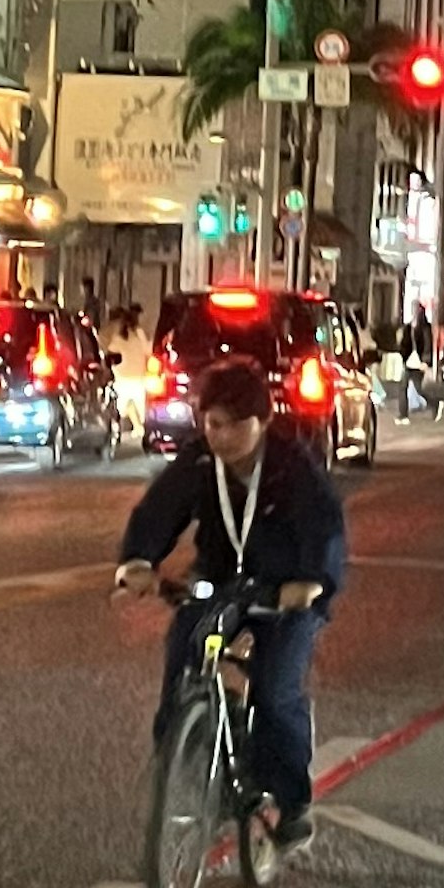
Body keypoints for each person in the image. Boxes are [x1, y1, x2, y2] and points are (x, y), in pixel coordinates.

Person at [112, 353, 349, 860]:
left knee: (276, 686)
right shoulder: (201, 462)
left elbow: (323, 526)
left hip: (285, 592)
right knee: (185, 652)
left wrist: (311, 581)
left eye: (227, 425)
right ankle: (180, 763)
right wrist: (138, 562)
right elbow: (159, 509)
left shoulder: (291, 465)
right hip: (220, 585)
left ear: (259, 421)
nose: (216, 435)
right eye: (209, 423)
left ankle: (291, 802)